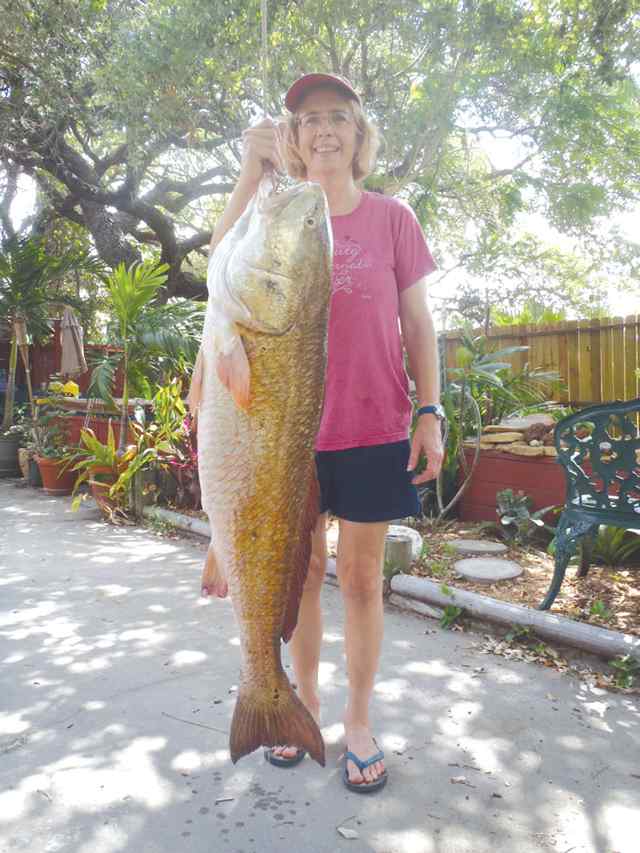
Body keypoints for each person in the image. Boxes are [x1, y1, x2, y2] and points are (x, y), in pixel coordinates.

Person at [197, 73, 444, 792]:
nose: (325, 129)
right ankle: (290, 700)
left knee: (363, 581)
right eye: (309, 120)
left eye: (339, 117)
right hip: (284, 438)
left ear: (359, 134)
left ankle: (358, 719)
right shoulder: (275, 210)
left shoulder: (393, 218)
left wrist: (429, 410)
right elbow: (220, 266)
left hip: (373, 426)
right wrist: (250, 171)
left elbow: (419, 322)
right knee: (298, 579)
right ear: (293, 137)